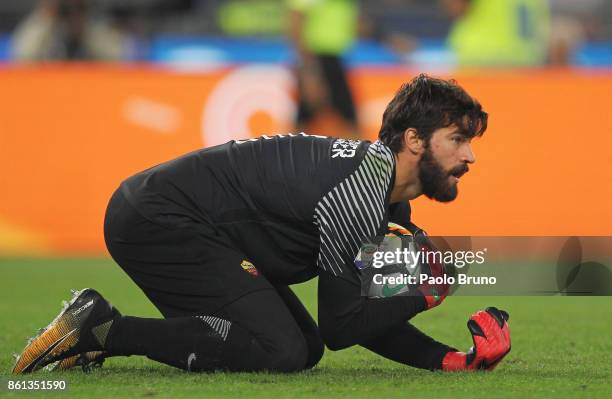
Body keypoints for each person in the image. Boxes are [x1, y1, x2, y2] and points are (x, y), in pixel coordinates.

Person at [13, 74, 510, 374]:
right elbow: (344, 324)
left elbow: (350, 324)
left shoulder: (383, 197)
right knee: (281, 349)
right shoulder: (360, 191)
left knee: (301, 348)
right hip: (157, 218)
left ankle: (96, 330)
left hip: (174, 216)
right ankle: (98, 329)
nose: (469, 156)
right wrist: (422, 292)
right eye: (458, 139)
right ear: (415, 140)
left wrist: (452, 359)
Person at [288, 0, 360, 138]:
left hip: (335, 59)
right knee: (306, 117)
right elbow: (296, 21)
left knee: (347, 117)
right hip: (316, 59)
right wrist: (309, 71)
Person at [11, 0, 127, 62]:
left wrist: (82, 26)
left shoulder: (94, 28)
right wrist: (47, 16)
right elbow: (21, 57)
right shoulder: (42, 26)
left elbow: (118, 58)